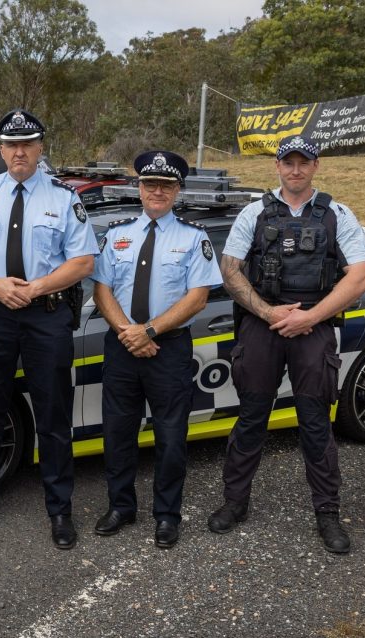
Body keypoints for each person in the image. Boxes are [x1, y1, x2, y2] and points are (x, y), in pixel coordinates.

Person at [211, 134, 365, 554]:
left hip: (313, 328)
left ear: (316, 166)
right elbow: (230, 271)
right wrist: (268, 313)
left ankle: (328, 514)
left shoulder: (338, 214)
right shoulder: (254, 213)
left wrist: (310, 317)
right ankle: (235, 503)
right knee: (251, 417)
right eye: (288, 162)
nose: (295, 169)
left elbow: (360, 277)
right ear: (277, 166)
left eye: (304, 162)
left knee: (316, 422)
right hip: (262, 326)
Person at [0, 109, 99, 550]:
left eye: (27, 143)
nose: (19, 151)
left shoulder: (62, 197)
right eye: (11, 144)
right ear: (0, 149)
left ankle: (60, 509)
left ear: (39, 148)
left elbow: (83, 261)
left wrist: (35, 288)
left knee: (53, 415)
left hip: (46, 315)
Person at [91, 150, 222, 549]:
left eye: (165, 185)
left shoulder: (194, 237)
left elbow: (198, 298)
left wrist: (148, 331)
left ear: (177, 190)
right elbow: (102, 290)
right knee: (117, 432)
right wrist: (129, 333)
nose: (157, 191)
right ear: (140, 188)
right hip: (121, 346)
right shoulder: (116, 234)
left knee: (169, 437)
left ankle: (167, 515)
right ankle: (121, 506)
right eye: (150, 184)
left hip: (169, 350)